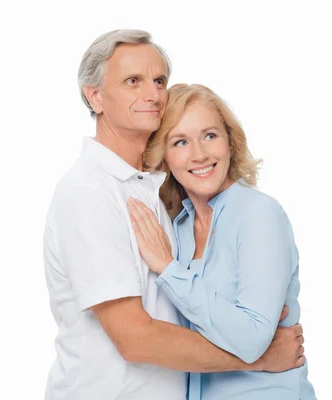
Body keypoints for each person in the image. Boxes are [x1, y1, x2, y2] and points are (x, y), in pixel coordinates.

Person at [43, 29, 305, 400]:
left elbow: (196, 314)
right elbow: (136, 338)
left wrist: (249, 333)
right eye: (133, 81)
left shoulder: (158, 198)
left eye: (159, 81)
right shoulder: (90, 194)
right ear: (95, 96)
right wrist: (258, 355)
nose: (152, 94)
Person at [127, 83, 317, 399]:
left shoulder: (258, 215)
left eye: (210, 135)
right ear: (164, 156)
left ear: (229, 141)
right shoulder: (179, 228)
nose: (199, 154)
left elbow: (250, 340)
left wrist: (168, 269)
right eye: (181, 142)